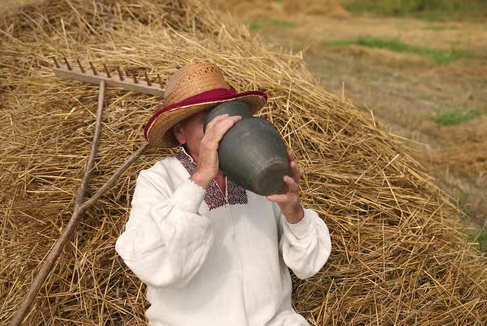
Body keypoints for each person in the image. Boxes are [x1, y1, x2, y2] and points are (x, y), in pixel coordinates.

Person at [115, 63, 332, 326]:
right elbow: (151, 261)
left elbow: (306, 266)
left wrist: (294, 214)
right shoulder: (158, 180)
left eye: (227, 114)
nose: (221, 126)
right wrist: (200, 179)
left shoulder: (260, 169)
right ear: (180, 132)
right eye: (206, 117)